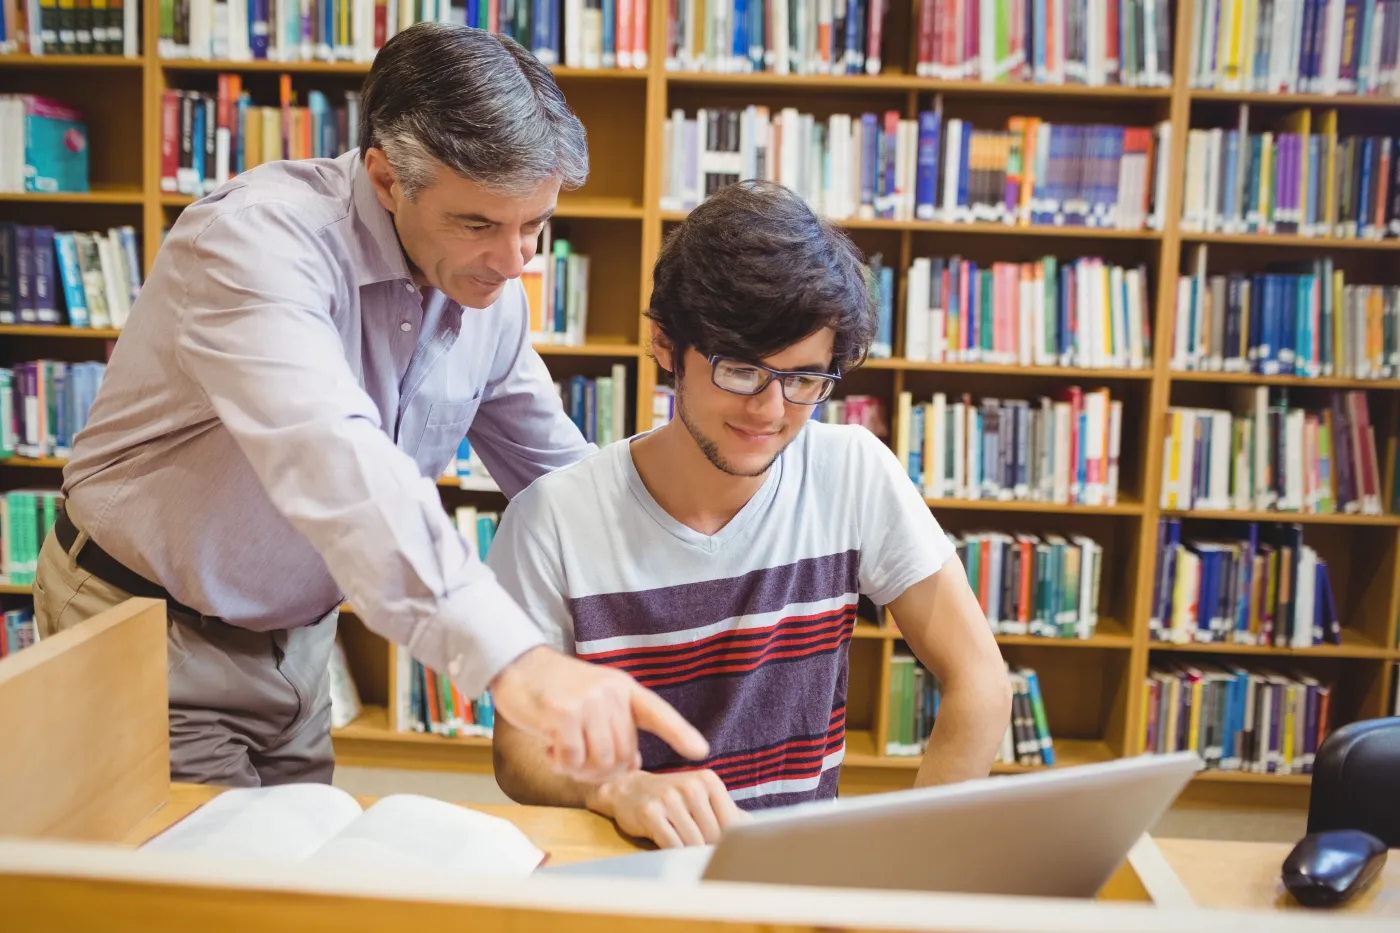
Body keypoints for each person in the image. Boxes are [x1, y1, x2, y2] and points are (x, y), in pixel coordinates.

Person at [31, 22, 706, 789]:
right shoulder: (254, 243)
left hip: (301, 647)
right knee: (210, 897)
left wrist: (708, 576)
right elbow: (334, 459)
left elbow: (560, 475)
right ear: (387, 179)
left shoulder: (490, 288)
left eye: (535, 225)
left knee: (293, 876)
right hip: (148, 626)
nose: (516, 260)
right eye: (479, 223)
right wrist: (517, 659)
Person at [486, 179, 1014, 849]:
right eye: (740, 370)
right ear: (665, 344)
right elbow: (517, 754)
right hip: (629, 876)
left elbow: (981, 681)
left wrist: (911, 868)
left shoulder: (852, 471)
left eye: (803, 380)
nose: (769, 411)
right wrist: (612, 786)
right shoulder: (551, 518)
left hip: (790, 885)